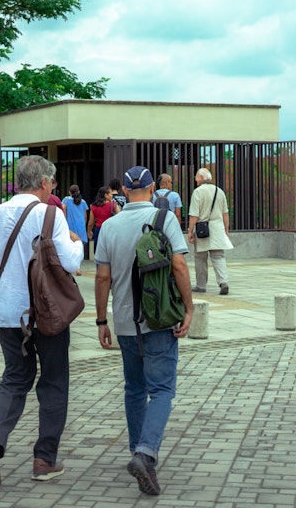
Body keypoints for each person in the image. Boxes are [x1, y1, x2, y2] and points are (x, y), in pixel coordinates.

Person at [0, 155, 84, 487]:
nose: (53, 188)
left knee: (15, 379)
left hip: (6, 314)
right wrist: (77, 243)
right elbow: (68, 261)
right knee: (54, 381)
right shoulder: (52, 214)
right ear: (45, 182)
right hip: (48, 314)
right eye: (53, 183)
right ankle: (43, 460)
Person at [94, 165, 192, 496]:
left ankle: (138, 450)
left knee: (134, 388)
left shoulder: (108, 226)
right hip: (160, 321)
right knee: (162, 389)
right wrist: (189, 309)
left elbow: (102, 277)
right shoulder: (166, 221)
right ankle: (146, 452)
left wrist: (101, 321)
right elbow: (178, 265)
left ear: (123, 189)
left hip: (124, 322)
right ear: (152, 190)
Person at [187, 167, 232, 295]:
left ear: (201, 178)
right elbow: (225, 214)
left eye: (196, 177)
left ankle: (201, 285)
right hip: (218, 227)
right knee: (218, 256)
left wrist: (190, 231)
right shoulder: (220, 191)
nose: (195, 180)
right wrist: (226, 229)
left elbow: (194, 215)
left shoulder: (198, 192)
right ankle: (223, 282)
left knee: (200, 258)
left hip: (202, 229)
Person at [85, 185, 119, 260]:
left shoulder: (94, 207)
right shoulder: (113, 205)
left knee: (98, 253)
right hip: (111, 230)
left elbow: (91, 222)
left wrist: (89, 231)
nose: (111, 196)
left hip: (99, 230)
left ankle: (99, 270)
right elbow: (120, 217)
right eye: (110, 194)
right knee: (111, 253)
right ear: (105, 195)